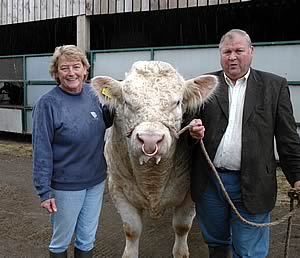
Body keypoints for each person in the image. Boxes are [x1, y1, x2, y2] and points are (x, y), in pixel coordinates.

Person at [189, 29, 300, 258]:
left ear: (251, 52)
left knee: (249, 252)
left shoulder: (274, 86)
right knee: (217, 243)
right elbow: (184, 124)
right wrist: (192, 130)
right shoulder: (205, 85)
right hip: (210, 182)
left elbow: (288, 138)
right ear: (220, 54)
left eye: (239, 51)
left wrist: (297, 177)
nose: (232, 57)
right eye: (227, 51)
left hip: (255, 181)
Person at [32, 45, 113, 258]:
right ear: (56, 73)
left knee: (87, 238)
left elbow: (109, 119)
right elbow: (42, 150)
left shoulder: (94, 94)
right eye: (64, 68)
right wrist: (44, 191)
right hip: (66, 186)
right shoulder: (47, 104)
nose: (71, 73)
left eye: (76, 67)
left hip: (95, 181)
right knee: (61, 241)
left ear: (85, 69)